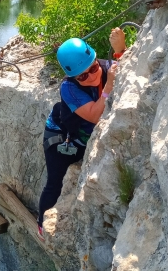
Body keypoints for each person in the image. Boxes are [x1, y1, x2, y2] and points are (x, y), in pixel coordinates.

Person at [37, 28, 127, 240]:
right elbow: (95, 115)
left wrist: (120, 50)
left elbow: (129, 68)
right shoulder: (68, 88)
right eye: (83, 75)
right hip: (61, 137)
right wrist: (109, 86)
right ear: (72, 76)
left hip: (85, 138)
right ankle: (41, 224)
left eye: (94, 67)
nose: (92, 75)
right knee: (54, 183)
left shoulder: (105, 68)